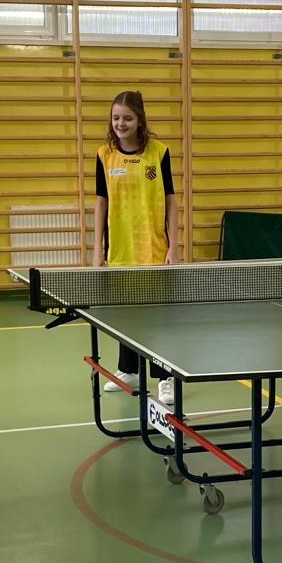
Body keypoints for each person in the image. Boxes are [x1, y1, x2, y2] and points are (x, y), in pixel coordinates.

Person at [92, 90, 178, 405]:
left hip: (153, 247)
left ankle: (165, 377)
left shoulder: (159, 152)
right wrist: (97, 248)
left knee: (157, 317)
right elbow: (101, 202)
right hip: (120, 249)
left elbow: (171, 201)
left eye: (127, 118)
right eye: (116, 118)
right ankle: (128, 370)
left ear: (139, 120)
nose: (120, 124)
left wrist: (174, 246)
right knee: (125, 314)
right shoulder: (104, 155)